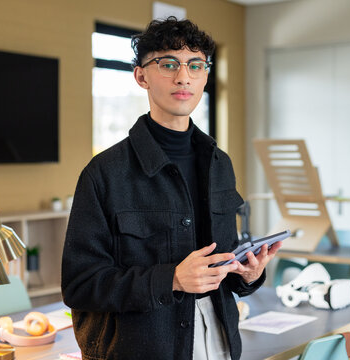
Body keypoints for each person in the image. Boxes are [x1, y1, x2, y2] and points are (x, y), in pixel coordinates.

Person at [61, 16, 281, 360]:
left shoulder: (219, 163)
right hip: (142, 348)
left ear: (206, 75)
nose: (184, 77)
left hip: (220, 340)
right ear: (141, 76)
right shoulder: (104, 174)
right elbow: (81, 285)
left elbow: (225, 258)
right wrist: (172, 279)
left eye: (196, 65)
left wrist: (249, 274)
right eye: (168, 64)